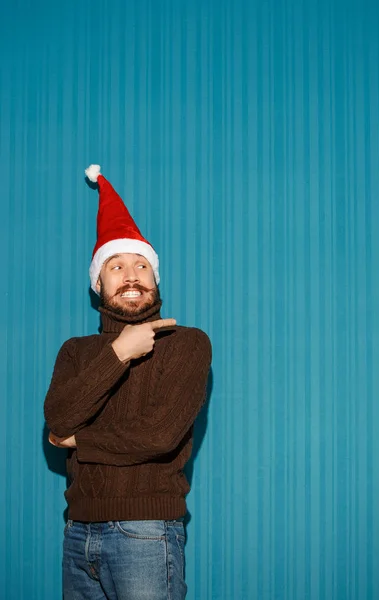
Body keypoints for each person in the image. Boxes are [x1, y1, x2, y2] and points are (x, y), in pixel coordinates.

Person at [44, 164, 212, 600]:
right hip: (77, 532)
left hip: (146, 532)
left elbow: (158, 436)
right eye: (115, 267)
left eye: (142, 265)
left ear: (156, 281)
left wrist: (80, 440)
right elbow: (57, 420)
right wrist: (119, 352)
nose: (131, 275)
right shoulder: (75, 351)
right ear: (98, 285)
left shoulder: (187, 344)